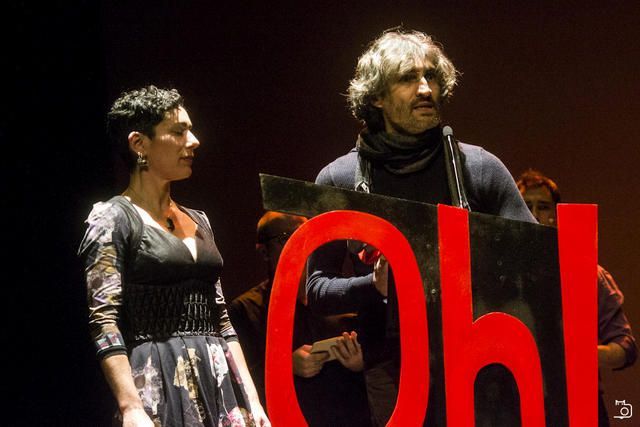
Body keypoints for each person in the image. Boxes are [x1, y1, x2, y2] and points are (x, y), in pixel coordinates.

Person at [306, 28, 536, 425]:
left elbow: (537, 265)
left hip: (481, 365)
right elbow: (316, 289)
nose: (426, 88)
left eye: (432, 76)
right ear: (376, 97)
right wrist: (373, 286)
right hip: (392, 373)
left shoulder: (479, 168)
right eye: (408, 78)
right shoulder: (338, 180)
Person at [78, 85, 270, 427]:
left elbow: (221, 318)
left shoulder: (199, 220)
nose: (194, 141)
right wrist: (130, 406)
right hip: (159, 378)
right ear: (139, 143)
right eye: (178, 132)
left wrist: (252, 400)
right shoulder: (113, 219)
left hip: (217, 377)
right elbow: (104, 320)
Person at [517, 169, 638, 427]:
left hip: (578, 407)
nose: (534, 214)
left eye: (543, 207)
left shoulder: (588, 274)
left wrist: (577, 354)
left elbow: (625, 347)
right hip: (516, 407)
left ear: (556, 215)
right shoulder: (499, 276)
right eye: (526, 206)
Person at [228, 211, 371, 426]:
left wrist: (362, 362)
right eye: (287, 237)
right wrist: (285, 366)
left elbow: (384, 357)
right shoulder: (245, 309)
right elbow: (238, 382)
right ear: (264, 251)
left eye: (306, 234)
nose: (301, 243)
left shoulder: (343, 293)